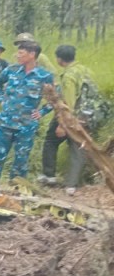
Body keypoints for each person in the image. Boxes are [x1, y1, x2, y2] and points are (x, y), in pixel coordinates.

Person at [0, 42, 56, 190]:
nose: (17, 56)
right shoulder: (11, 70)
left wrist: (42, 112)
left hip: (26, 125)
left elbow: (54, 98)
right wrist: (2, 99)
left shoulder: (44, 76)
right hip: (6, 121)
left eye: (21, 53)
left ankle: (17, 186)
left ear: (32, 54)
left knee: (21, 158)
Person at [39, 44, 92, 195]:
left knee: (50, 141)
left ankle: (49, 175)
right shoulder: (83, 70)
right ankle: (72, 184)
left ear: (59, 59)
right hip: (86, 116)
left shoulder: (68, 76)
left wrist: (63, 124)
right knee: (77, 149)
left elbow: (68, 103)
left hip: (70, 116)